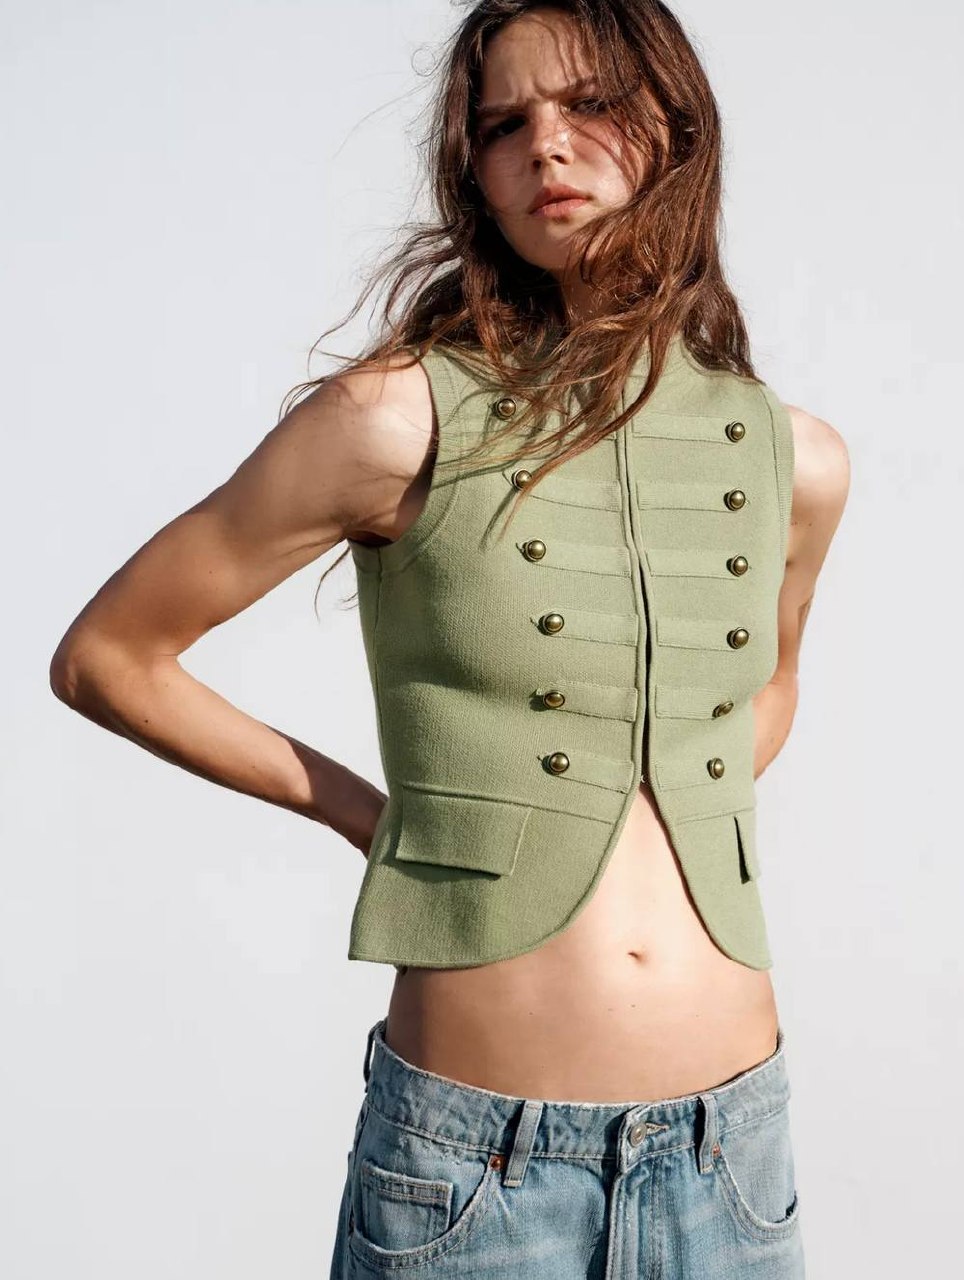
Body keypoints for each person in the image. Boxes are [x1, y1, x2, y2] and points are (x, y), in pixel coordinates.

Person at [50, 2, 850, 1276]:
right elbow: (109, 655)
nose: (547, 146)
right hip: (476, 1175)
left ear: (677, 128)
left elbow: (771, 689)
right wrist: (372, 817)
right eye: (503, 125)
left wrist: (669, 804)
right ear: (473, 172)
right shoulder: (394, 421)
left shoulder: (792, 458)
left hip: (734, 1160)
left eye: (590, 104)